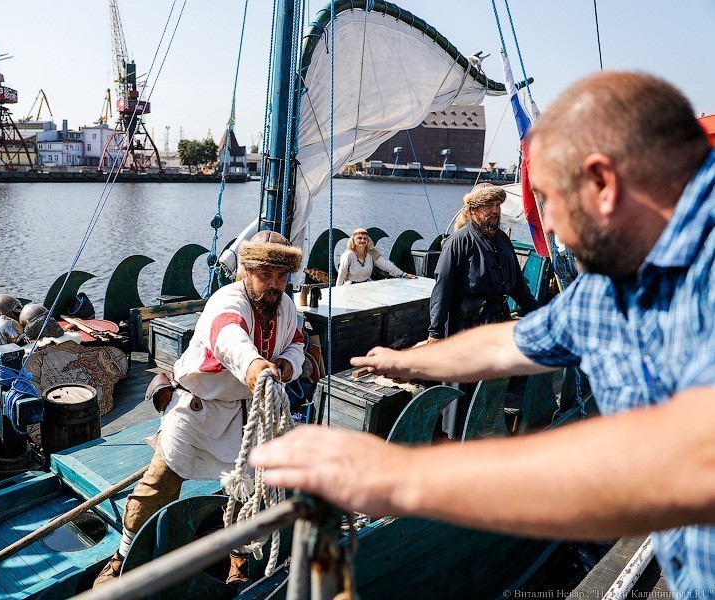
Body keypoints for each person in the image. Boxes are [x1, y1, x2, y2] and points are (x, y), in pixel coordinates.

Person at [249, 72, 715, 595]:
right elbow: (512, 341)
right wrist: (414, 360)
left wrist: (400, 478)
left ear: (602, 184)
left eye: (547, 202)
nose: (548, 228)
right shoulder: (616, 280)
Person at [94, 230, 305, 588]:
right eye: (266, 274)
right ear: (247, 271)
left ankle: (237, 554)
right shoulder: (227, 301)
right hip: (196, 407)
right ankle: (123, 555)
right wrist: (255, 365)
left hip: (246, 411)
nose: (274, 284)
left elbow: (296, 342)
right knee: (160, 480)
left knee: (246, 487)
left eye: (281, 276)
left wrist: (287, 364)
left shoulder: (286, 307)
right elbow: (229, 338)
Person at [428, 184, 539, 437]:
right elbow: (442, 288)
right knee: (462, 384)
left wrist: (538, 313)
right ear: (474, 210)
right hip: (466, 325)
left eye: (498, 205)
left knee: (491, 382)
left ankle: (484, 432)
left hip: (496, 322)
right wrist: (435, 332)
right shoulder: (459, 241)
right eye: (489, 206)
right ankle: (455, 438)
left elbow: (518, 286)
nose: (496, 210)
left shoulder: (502, 240)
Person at [335, 228, 416, 285]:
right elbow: (341, 275)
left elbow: (386, 265)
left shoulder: (371, 254)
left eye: (365, 238)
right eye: (359, 238)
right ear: (354, 240)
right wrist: (337, 292)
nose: (362, 240)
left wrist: (403, 274)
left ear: (368, 240)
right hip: (351, 286)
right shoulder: (348, 255)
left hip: (367, 285)